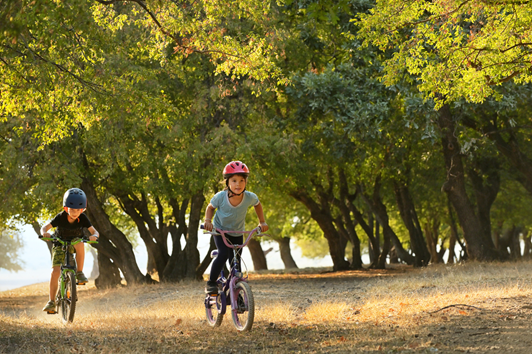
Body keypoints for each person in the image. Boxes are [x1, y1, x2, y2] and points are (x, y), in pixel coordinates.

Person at [203, 160, 269, 294]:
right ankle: (211, 283)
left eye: (241, 180)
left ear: (246, 182)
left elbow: (258, 204)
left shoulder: (250, 197)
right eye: (234, 180)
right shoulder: (220, 197)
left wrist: (262, 222)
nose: (238, 184)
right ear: (227, 182)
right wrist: (207, 221)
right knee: (222, 254)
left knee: (236, 264)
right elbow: (210, 208)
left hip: (237, 232)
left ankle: (237, 293)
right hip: (220, 231)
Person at [40, 188, 99, 312]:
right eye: (72, 209)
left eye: (78, 210)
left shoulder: (83, 218)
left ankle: (79, 272)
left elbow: (94, 231)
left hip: (74, 243)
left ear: (83, 209)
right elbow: (45, 227)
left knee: (80, 243)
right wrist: (44, 232)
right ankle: (51, 302)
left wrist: (94, 236)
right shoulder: (60, 217)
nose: (75, 212)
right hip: (59, 243)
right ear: (66, 208)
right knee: (55, 272)